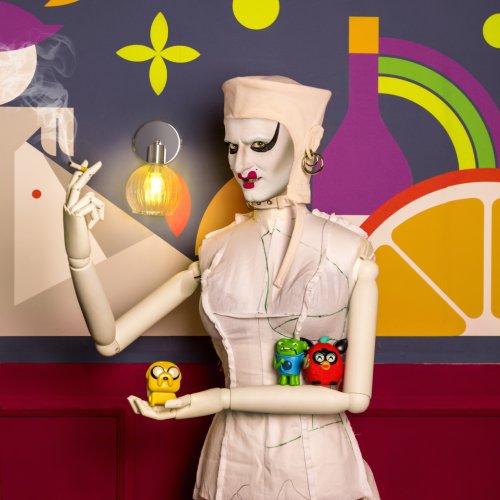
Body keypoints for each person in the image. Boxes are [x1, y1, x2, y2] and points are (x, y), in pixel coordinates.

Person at [63, 75, 379, 500]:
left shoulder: (350, 250)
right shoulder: (216, 250)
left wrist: (221, 398)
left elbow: (355, 398)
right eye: (233, 147)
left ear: (309, 142)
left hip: (319, 469)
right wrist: (78, 251)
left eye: (260, 144)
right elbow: (109, 339)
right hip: (231, 462)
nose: (241, 162)